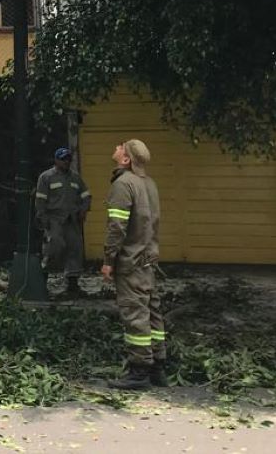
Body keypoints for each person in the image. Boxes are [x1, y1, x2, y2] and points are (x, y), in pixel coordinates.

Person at [101, 138, 167, 389]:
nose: (117, 147)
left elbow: (117, 227)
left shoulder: (123, 184)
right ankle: (158, 366)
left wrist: (109, 260)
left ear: (126, 159)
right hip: (148, 258)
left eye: (121, 146)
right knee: (152, 311)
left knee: (135, 312)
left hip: (131, 260)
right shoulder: (149, 184)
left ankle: (139, 372)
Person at [34, 147, 92, 297]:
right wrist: (42, 218)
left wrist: (84, 209)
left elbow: (86, 195)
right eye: (63, 159)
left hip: (72, 220)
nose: (66, 162)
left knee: (75, 249)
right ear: (56, 160)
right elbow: (40, 200)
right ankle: (42, 282)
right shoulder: (46, 177)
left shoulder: (75, 178)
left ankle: (72, 285)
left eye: (68, 159)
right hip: (54, 220)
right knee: (54, 248)